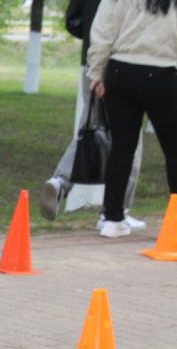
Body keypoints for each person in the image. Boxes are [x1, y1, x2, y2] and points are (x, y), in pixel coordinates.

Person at [39, 0, 146, 231]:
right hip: (121, 61)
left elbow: (72, 20)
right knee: (129, 139)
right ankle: (116, 212)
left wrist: (92, 34)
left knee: (91, 128)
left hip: (89, 60)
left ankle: (60, 182)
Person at [88, 0, 177, 237]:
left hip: (121, 72)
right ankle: (175, 220)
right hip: (164, 74)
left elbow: (103, 30)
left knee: (122, 149)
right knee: (173, 149)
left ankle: (112, 219)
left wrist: (96, 71)